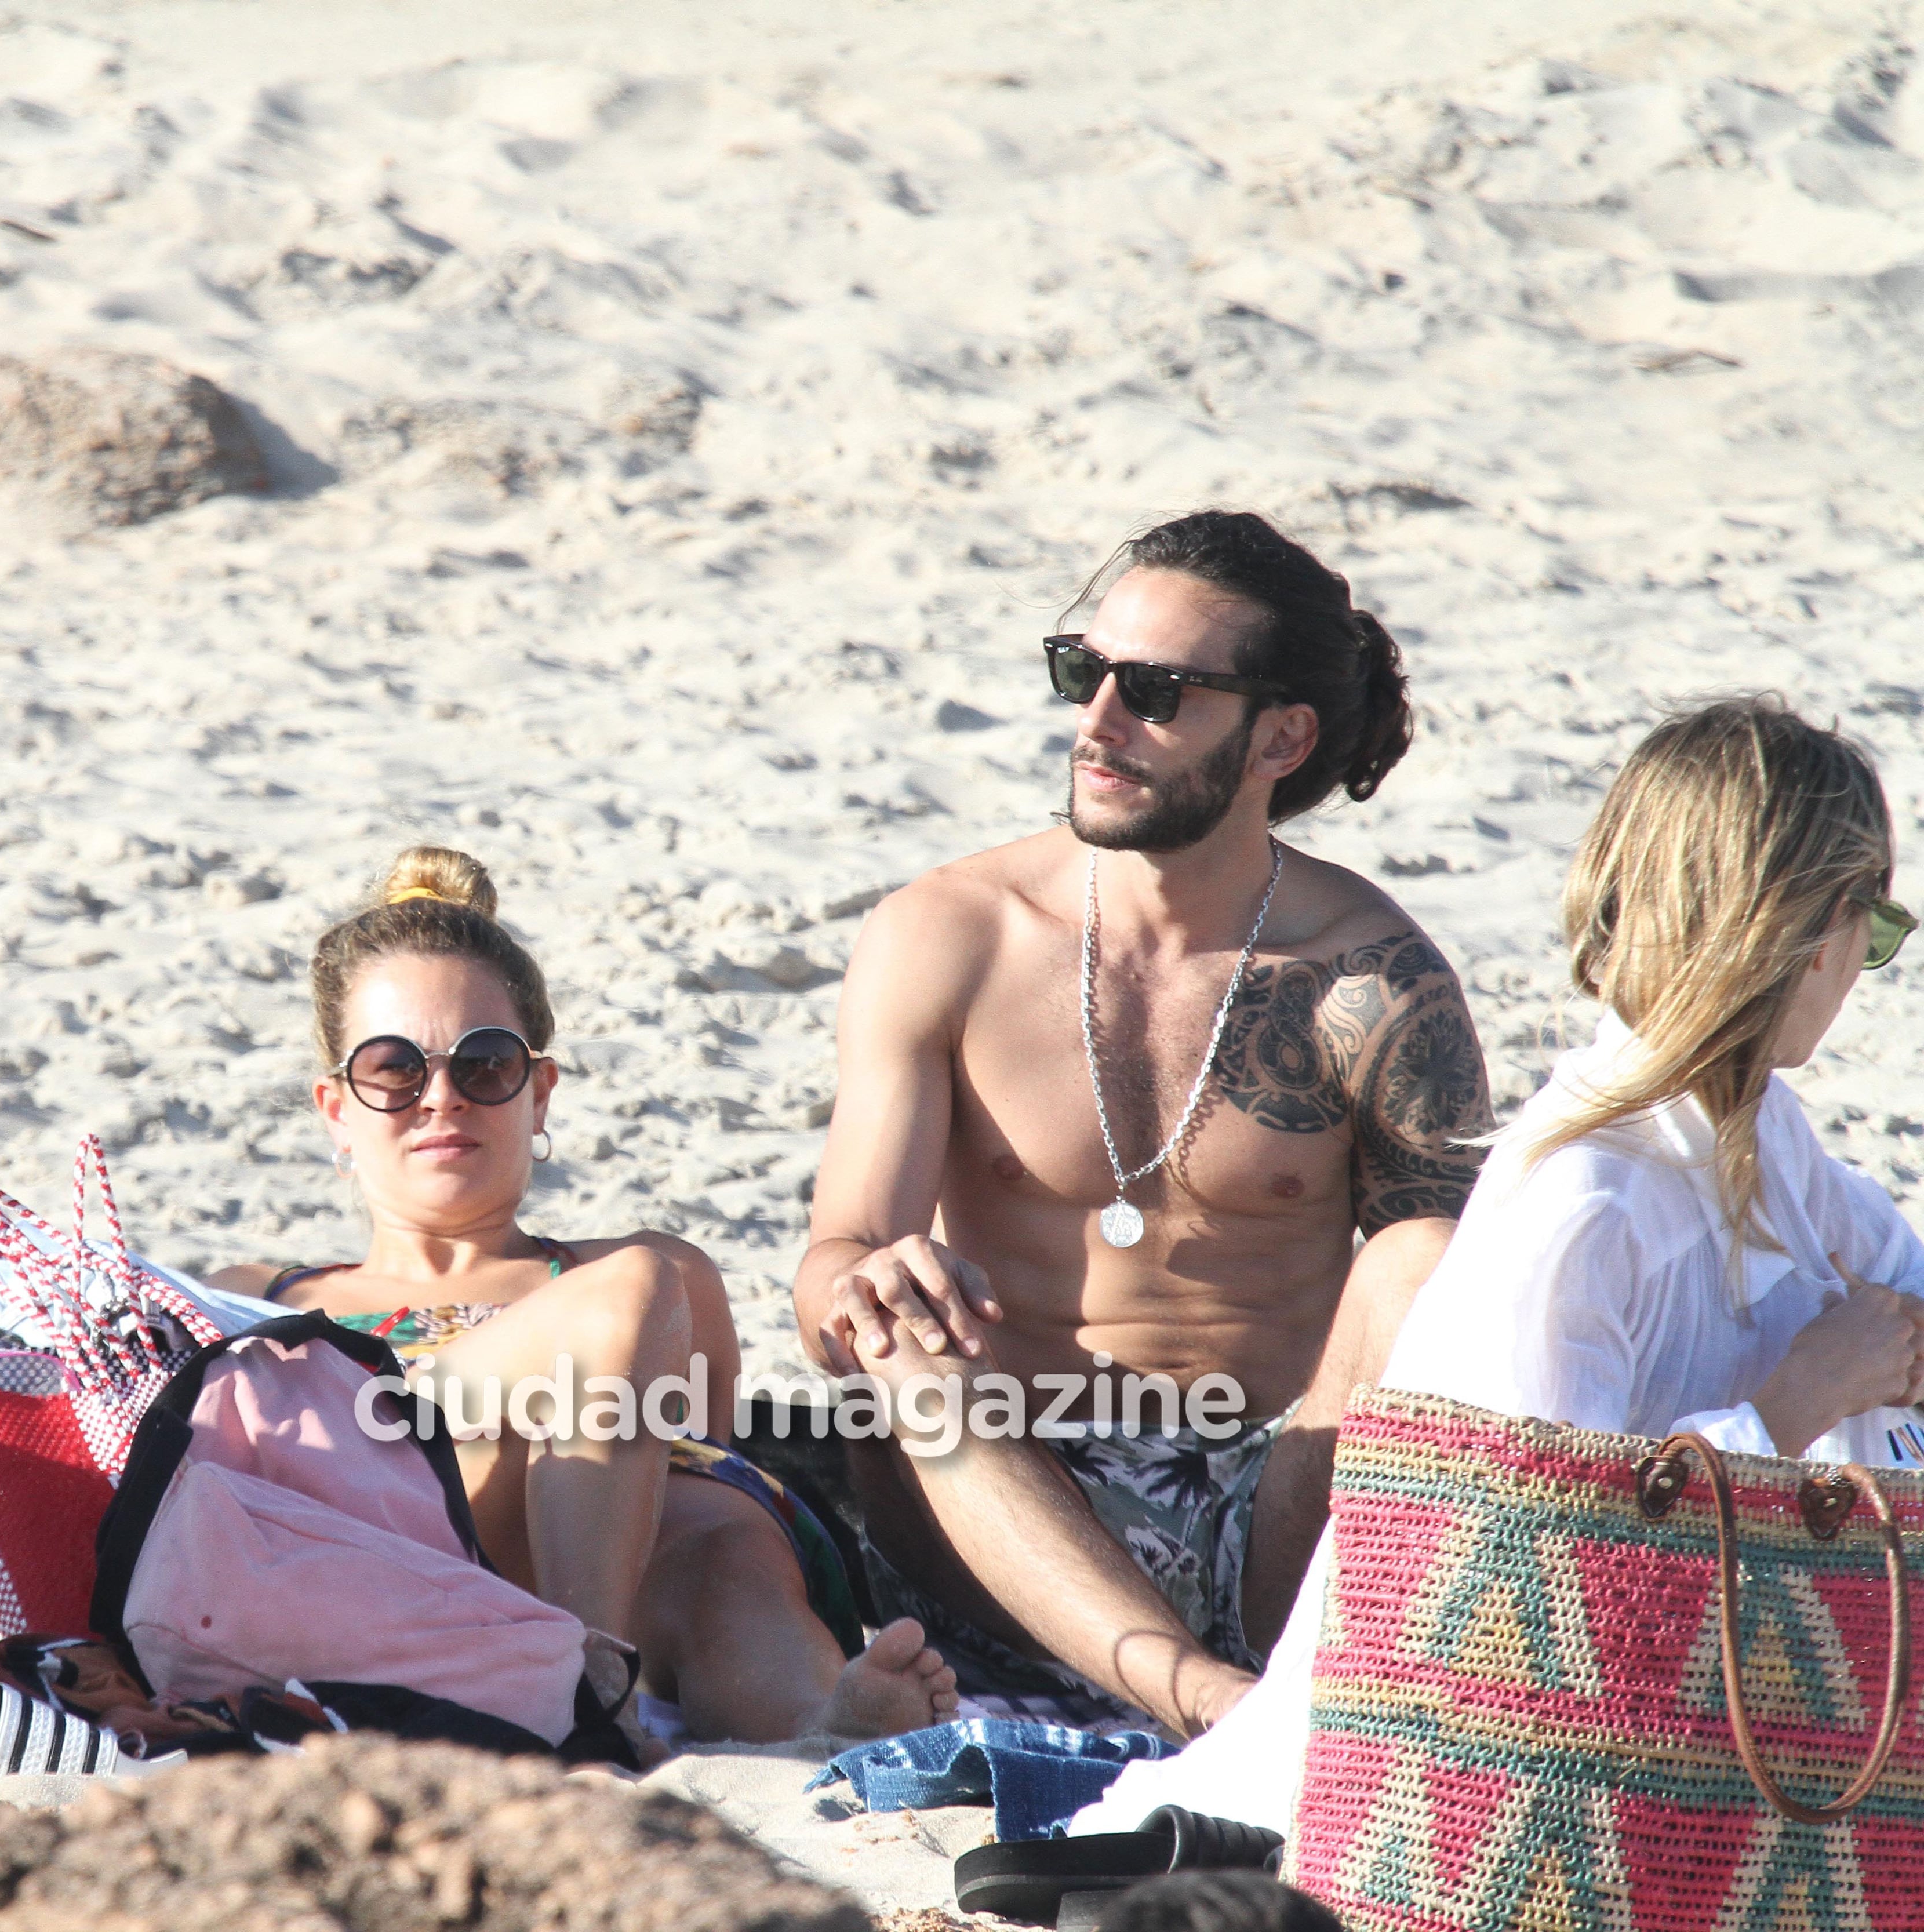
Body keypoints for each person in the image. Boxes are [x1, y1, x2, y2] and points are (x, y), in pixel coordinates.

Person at [1068, 693, 1924, 1833]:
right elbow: (1544, 1569)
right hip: (1448, 1790)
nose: (1863, 969)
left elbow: (1894, 1279)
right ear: (1800, 933)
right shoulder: (1589, 1198)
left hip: (1663, 1744)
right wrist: (1800, 1396)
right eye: (1869, 933)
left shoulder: (1754, 1131)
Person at [796, 511, 1494, 1738]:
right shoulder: (951, 932)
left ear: (1281, 735)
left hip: (1266, 1513)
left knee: (1426, 1259)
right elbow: (827, 1284)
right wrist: (865, 1271)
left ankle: (1225, 1696)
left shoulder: (1371, 980)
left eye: (1157, 691)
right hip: (995, 1510)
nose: (1098, 722)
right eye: (1085, 669)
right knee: (884, 1326)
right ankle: (1208, 1711)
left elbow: (1453, 1331)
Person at [209, 847, 959, 1744]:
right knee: (634, 1295)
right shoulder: (263, 1291)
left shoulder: (661, 1278)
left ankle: (812, 1721)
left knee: (717, 1536)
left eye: (484, 1064)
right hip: (387, 1534)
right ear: (337, 1108)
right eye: (394, 1070)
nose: (442, 1097)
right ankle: (581, 1686)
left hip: (605, 1571)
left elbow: (683, 1461)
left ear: (540, 1093)